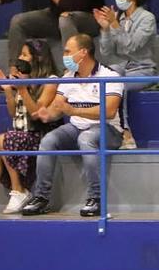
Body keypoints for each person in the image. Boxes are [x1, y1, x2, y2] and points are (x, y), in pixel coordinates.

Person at [20, 34, 124, 217]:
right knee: (49, 140)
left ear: (83, 53)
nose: (64, 56)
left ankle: (96, 199)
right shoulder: (68, 77)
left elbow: (109, 111)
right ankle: (41, 198)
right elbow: (57, 107)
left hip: (108, 130)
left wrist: (73, 111)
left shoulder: (110, 76)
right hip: (76, 128)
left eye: (68, 51)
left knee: (86, 139)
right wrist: (47, 114)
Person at [0, 39, 61, 216]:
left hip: (39, 133)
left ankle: (19, 191)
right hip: (20, 133)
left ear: (38, 58)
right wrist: (9, 89)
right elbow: (13, 114)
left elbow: (36, 114)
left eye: (25, 54)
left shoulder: (50, 81)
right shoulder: (22, 79)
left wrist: (23, 89)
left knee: (3, 139)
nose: (20, 58)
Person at [94, 0, 157, 151]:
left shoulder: (147, 18)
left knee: (116, 85)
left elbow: (132, 45)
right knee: (108, 79)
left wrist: (114, 25)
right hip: (120, 70)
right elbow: (106, 53)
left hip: (142, 71)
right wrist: (105, 29)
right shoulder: (119, 19)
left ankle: (125, 134)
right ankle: (106, 134)